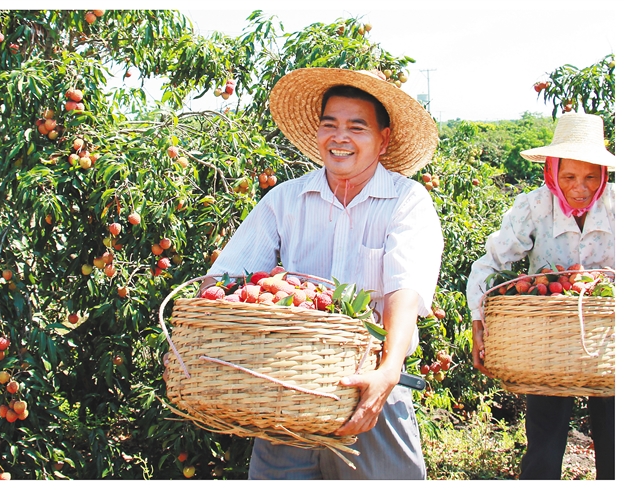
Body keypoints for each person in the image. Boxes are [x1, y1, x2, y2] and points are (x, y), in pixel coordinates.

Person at [200, 68, 443, 479]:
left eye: (356, 127)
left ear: (383, 139)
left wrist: (388, 370)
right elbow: (222, 279)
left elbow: (405, 289)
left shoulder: (407, 201)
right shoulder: (286, 199)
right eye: (329, 124)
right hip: (288, 384)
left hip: (371, 381)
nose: (340, 137)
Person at [466, 112, 615, 480]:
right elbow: (488, 266)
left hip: (609, 340)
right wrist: (479, 321)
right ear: (552, 172)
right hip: (548, 342)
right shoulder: (534, 206)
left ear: (603, 176)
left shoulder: (617, 205)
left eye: (590, 177)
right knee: (543, 451)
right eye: (568, 177)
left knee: (616, 447)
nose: (579, 187)